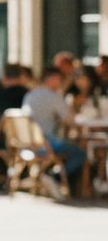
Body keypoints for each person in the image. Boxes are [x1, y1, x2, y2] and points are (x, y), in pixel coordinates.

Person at [22, 67, 85, 198]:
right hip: (45, 144)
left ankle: (46, 176)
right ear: (51, 79)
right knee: (80, 153)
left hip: (26, 143)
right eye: (59, 80)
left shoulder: (30, 94)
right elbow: (70, 119)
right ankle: (54, 177)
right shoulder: (52, 96)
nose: (60, 83)